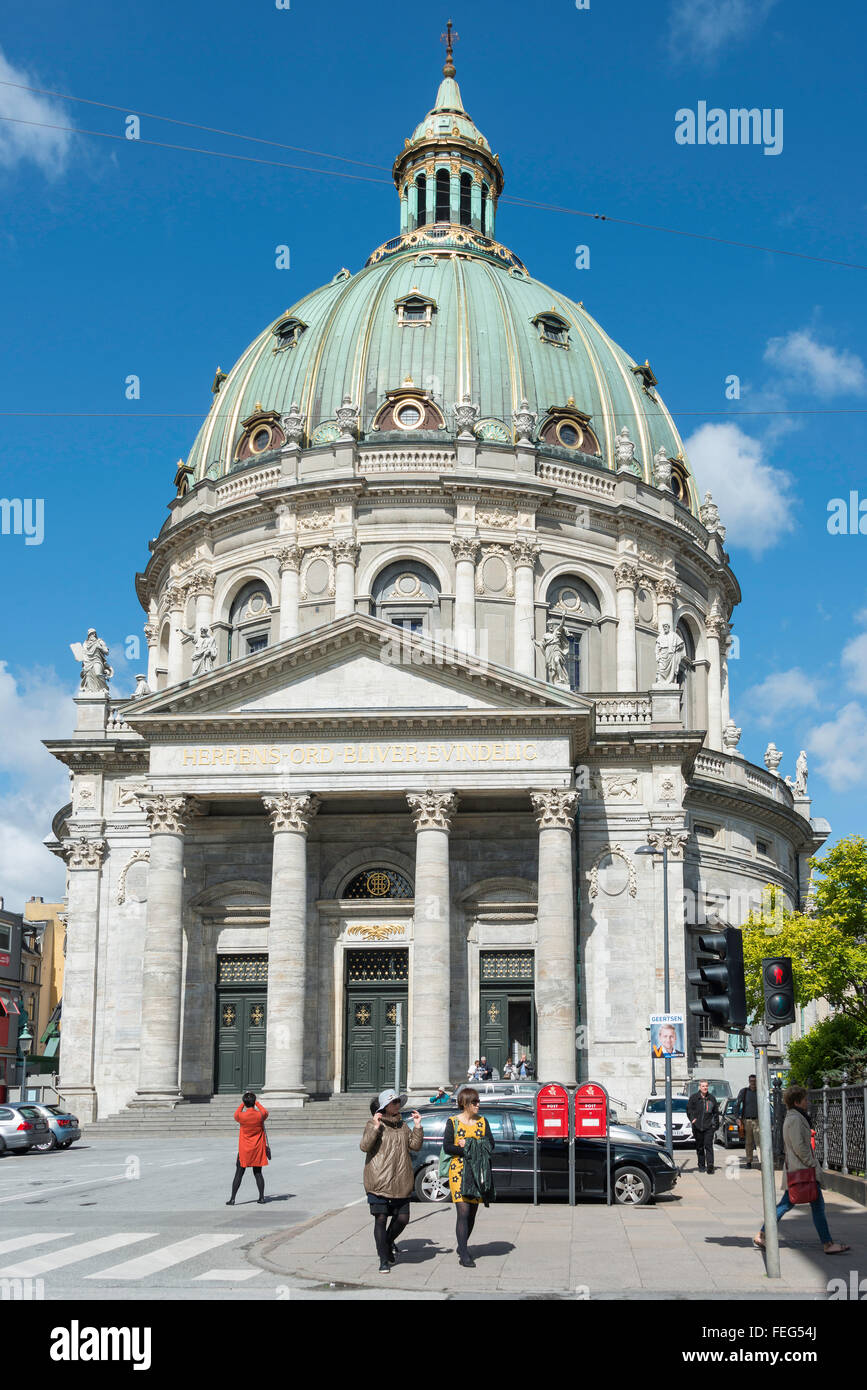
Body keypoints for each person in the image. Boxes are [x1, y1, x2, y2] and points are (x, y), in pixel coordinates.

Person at [754, 1085, 849, 1255]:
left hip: (798, 1170)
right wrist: (811, 1163)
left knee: (791, 1204)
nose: (807, 1102)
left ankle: (763, 1234)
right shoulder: (796, 1119)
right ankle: (827, 1243)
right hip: (803, 1170)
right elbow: (799, 1146)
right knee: (807, 1206)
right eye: (805, 1099)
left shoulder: (794, 1117)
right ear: (797, 1102)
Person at [359, 1089, 423, 1273]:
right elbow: (364, 1146)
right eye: (394, 1102)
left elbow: (415, 1146)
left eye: (397, 1102)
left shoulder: (403, 1126)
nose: (397, 1105)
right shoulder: (374, 1124)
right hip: (378, 1179)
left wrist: (418, 1126)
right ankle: (383, 1260)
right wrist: (374, 1127)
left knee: (402, 1218)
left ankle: (386, 1244)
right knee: (380, 1219)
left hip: (401, 1179)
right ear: (384, 1107)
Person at [443, 1088, 496, 1267]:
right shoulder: (453, 1122)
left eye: (478, 1101)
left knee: (472, 1212)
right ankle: (464, 1253)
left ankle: (462, 1244)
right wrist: (465, 1149)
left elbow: (491, 1144)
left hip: (477, 1171)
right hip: (458, 1170)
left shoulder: (482, 1122)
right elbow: (448, 1147)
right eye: (474, 1102)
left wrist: (471, 1144)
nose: (478, 1105)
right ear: (465, 1104)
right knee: (463, 1211)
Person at [227, 1091, 268, 1205]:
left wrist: (243, 1104)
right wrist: (257, 1103)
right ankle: (261, 1197)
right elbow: (265, 1112)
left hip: (244, 1149)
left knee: (239, 1173)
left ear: (244, 1103)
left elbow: (236, 1113)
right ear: (254, 1102)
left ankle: (233, 1199)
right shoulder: (260, 1115)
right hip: (257, 1148)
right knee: (258, 1173)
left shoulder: (241, 1116)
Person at [686, 1080, 719, 1174]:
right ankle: (701, 1165)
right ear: (699, 1087)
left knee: (708, 1145)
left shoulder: (711, 1098)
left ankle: (710, 1166)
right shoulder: (694, 1098)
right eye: (703, 1086)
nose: (705, 1088)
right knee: (700, 1147)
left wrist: (715, 1126)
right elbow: (689, 1110)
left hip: (709, 1127)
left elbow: (716, 1113)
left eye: (706, 1086)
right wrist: (692, 1119)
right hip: (697, 1126)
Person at [736, 1074, 760, 1168]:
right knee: (748, 1142)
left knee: (759, 1142)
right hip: (747, 1120)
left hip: (758, 1120)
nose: (753, 1083)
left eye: (754, 1081)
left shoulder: (760, 1091)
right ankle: (749, 1161)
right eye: (751, 1081)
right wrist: (737, 1117)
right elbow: (737, 1104)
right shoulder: (744, 1091)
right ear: (749, 1081)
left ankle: (762, 1161)